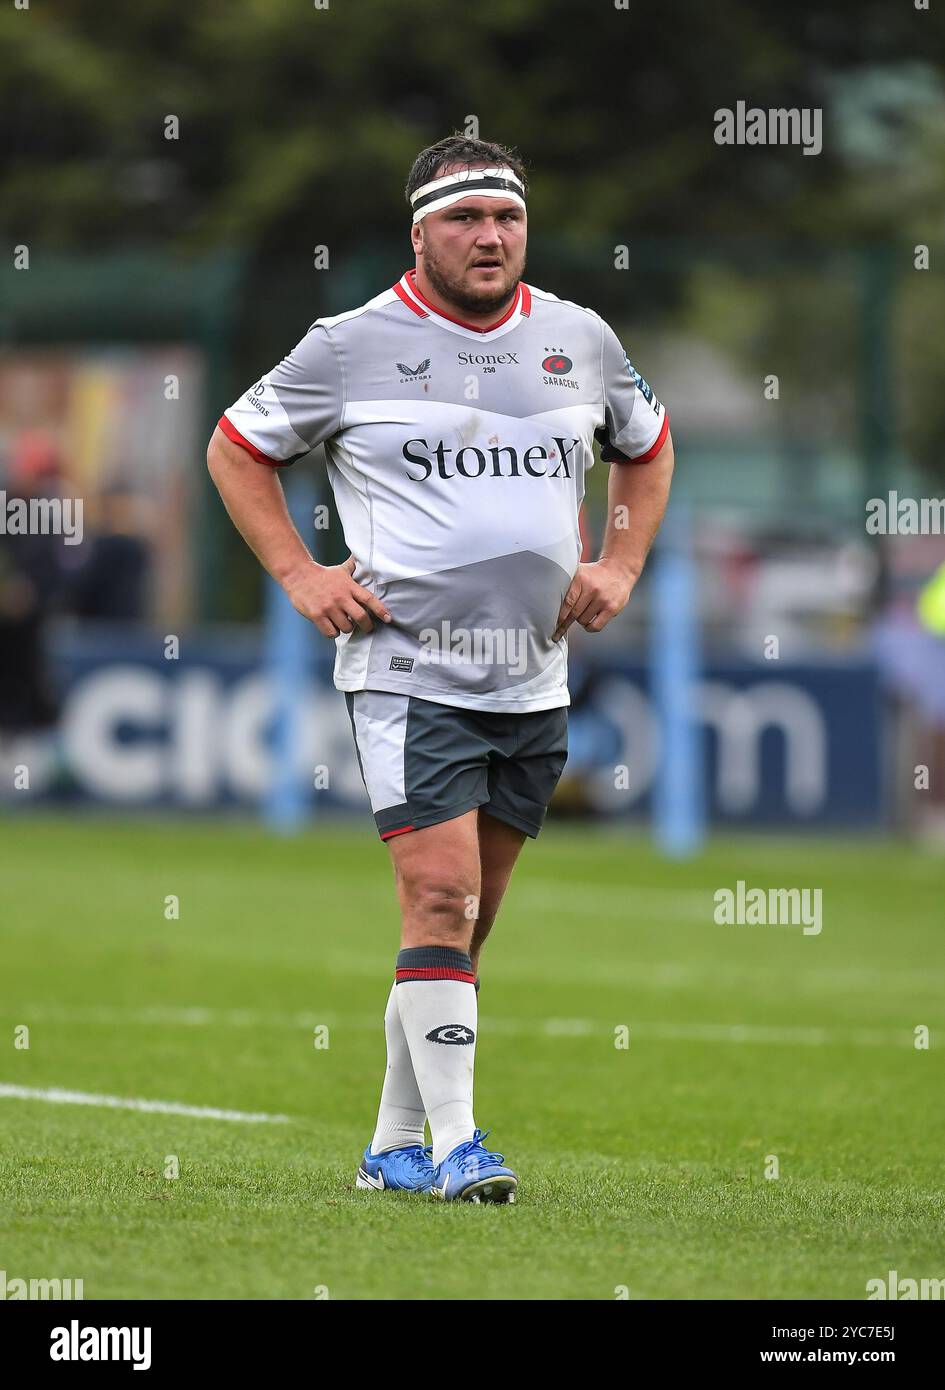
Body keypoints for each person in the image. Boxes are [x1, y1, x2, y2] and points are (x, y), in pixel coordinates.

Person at [207, 135, 674, 1203]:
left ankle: (392, 1145)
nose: (490, 236)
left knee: (464, 923)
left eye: (507, 218)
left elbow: (649, 449)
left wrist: (621, 561)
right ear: (421, 230)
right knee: (440, 896)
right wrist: (300, 574)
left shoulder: (579, 337)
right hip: (410, 673)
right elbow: (236, 446)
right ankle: (463, 1147)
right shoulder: (347, 344)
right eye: (466, 219)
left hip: (534, 681)